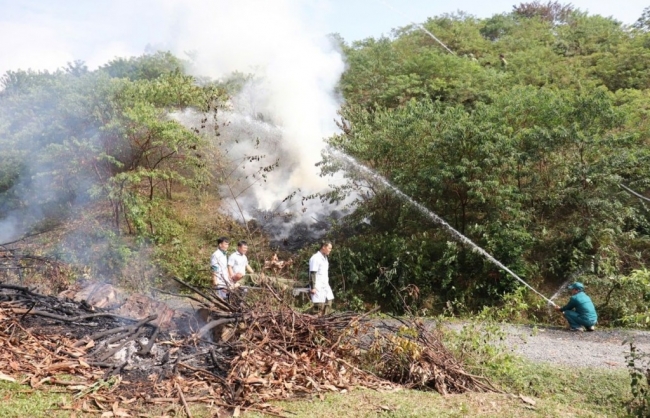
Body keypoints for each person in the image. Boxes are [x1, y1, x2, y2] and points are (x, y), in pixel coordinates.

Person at [309, 241, 334, 316]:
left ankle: (324, 319)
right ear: (323, 247)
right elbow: (312, 273)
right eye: (329, 248)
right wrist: (313, 287)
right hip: (317, 286)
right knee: (319, 306)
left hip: (325, 285)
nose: (330, 250)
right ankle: (312, 319)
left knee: (329, 301)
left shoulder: (325, 258)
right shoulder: (315, 258)